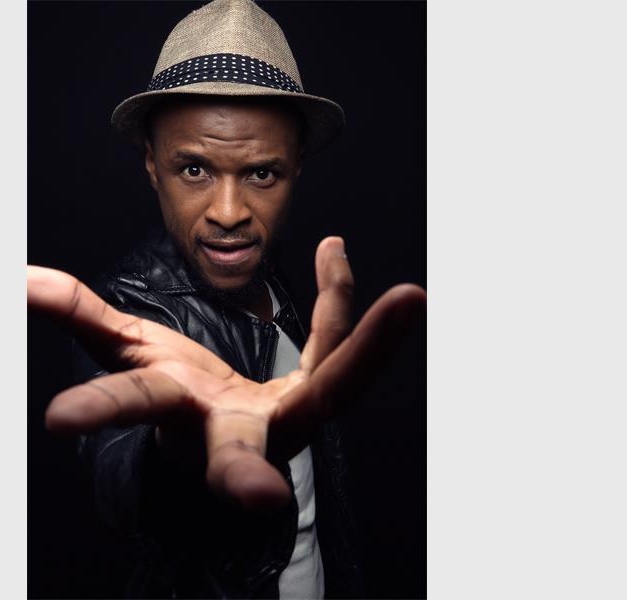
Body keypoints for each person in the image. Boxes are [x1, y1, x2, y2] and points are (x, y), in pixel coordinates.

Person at [28, 0, 426, 597]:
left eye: (261, 173)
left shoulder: (275, 279)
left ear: (297, 167)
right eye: (194, 170)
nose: (229, 213)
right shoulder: (128, 311)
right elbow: (121, 486)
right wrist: (176, 452)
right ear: (152, 164)